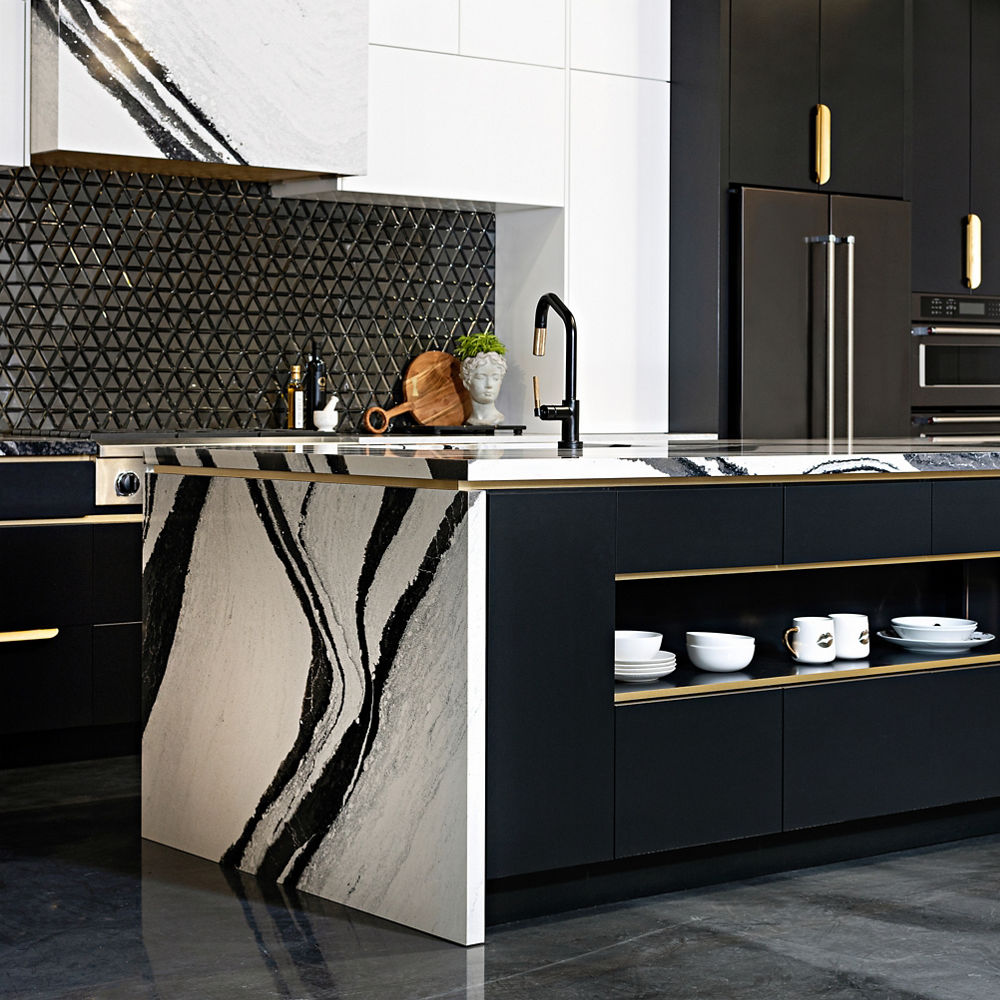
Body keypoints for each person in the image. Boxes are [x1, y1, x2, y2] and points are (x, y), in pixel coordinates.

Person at [459, 351, 506, 425]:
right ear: (466, 382)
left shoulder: (498, 419)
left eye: (495, 378)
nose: (489, 384)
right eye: (481, 377)